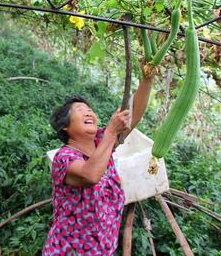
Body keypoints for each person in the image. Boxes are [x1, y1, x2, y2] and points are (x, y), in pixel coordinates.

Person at [42, 67, 155, 255]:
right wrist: (111, 132)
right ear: (65, 127)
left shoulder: (103, 143)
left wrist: (147, 79)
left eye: (90, 110)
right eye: (80, 110)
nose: (88, 113)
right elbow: (90, 174)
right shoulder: (64, 158)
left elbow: (133, 114)